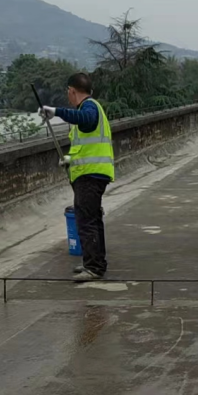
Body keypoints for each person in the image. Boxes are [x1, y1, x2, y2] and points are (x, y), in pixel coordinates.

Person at [40, 73, 114, 282]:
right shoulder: (90, 108)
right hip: (90, 173)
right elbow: (84, 147)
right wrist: (69, 159)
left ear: (71, 91)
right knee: (93, 220)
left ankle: (94, 267)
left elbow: (86, 120)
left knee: (87, 222)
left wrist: (56, 112)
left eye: (68, 92)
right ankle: (95, 262)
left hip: (90, 175)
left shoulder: (89, 108)